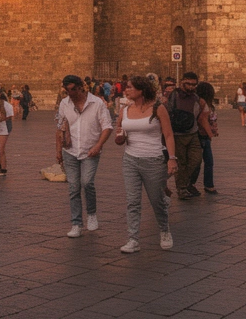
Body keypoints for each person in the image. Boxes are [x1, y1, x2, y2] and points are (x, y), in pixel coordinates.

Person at [114, 76, 175, 253]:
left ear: (141, 90)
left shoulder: (158, 108)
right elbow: (120, 133)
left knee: (157, 200)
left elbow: (168, 135)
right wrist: (120, 138)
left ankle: (164, 231)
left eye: (130, 87)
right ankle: (133, 239)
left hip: (154, 159)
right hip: (130, 160)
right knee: (132, 201)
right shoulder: (124, 110)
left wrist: (171, 158)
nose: (126, 90)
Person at [56, 74, 113, 238]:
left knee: (87, 182)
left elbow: (107, 127)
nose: (70, 93)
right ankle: (76, 223)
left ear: (81, 87)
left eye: (73, 89)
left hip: (90, 150)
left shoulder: (97, 103)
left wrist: (98, 145)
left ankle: (92, 214)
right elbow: (60, 127)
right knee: (73, 187)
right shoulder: (64, 103)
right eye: (67, 90)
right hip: (70, 151)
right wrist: (58, 151)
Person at [165, 72, 214, 200]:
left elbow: (200, 116)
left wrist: (209, 131)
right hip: (178, 134)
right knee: (181, 162)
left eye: (194, 85)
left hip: (192, 133)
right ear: (182, 82)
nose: (191, 87)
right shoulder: (174, 95)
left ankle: (184, 182)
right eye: (189, 84)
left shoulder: (196, 98)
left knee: (196, 161)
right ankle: (182, 189)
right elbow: (167, 113)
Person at [189, 82, 220, 194]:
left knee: (205, 161)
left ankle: (206, 184)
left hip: (203, 135)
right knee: (200, 162)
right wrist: (210, 133)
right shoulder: (201, 103)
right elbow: (202, 120)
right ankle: (192, 184)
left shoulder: (205, 103)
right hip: (201, 135)